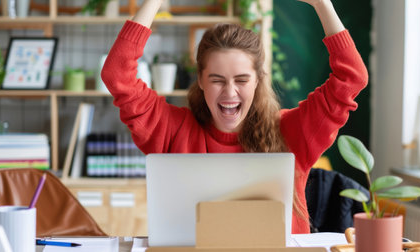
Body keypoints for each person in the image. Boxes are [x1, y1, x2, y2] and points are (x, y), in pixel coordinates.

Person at [101, 0, 368, 234]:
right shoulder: (171, 129)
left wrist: (322, 4)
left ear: (257, 81)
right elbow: (116, 75)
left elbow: (352, 77)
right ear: (201, 81)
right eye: (217, 80)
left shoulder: (292, 131)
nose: (230, 93)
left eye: (241, 80)